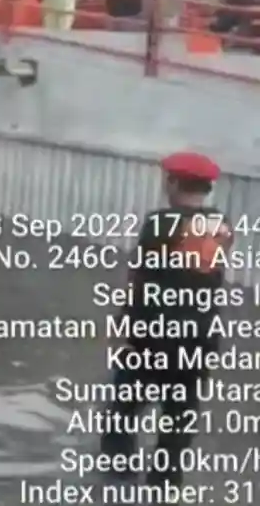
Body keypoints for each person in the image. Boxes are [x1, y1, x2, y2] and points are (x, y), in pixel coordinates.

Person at [99, 151, 232, 490]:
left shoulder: (159, 222)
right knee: (180, 412)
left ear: (173, 182)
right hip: (200, 337)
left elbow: (139, 277)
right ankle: (165, 481)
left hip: (153, 333)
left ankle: (118, 476)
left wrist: (122, 326)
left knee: (122, 409)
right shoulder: (221, 225)